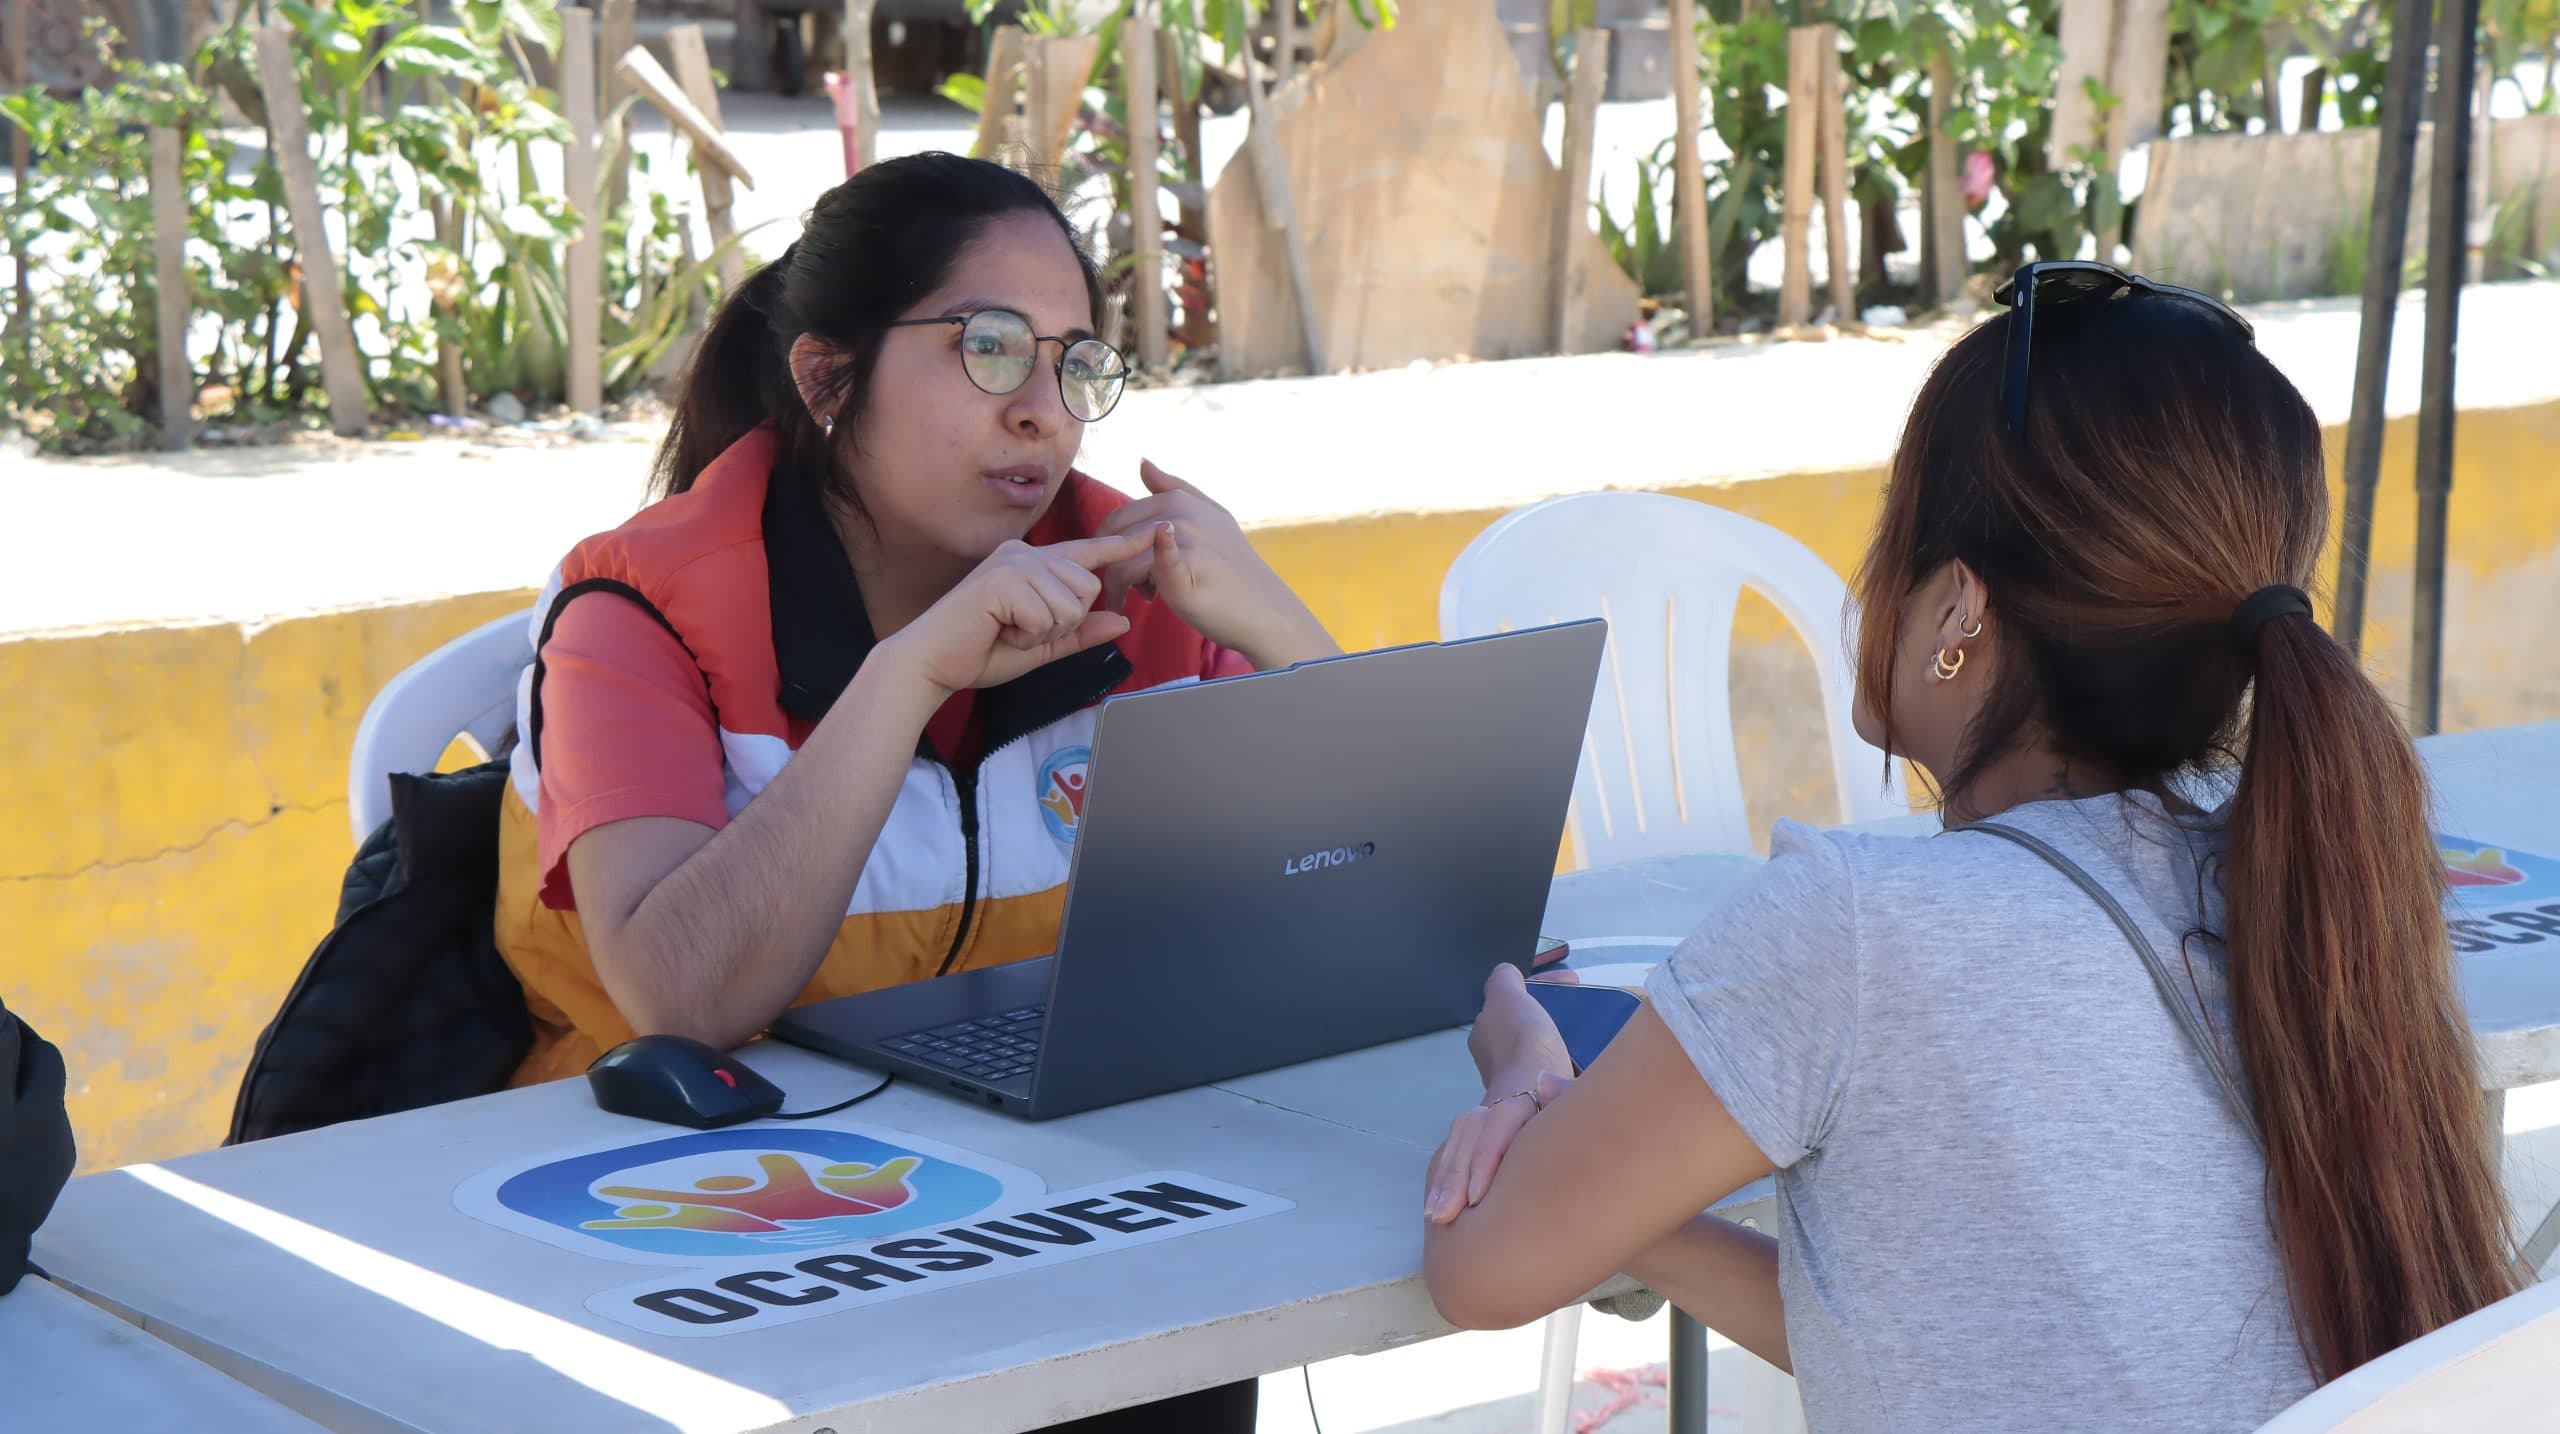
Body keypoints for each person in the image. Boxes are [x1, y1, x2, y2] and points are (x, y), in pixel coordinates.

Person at [1417, 262, 2518, 1431]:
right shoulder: (2302, 879)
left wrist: (1533, 1086)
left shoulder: (1854, 927)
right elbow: (1962, 1335)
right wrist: (1638, 1219)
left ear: (1956, 610)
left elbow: (1483, 1271)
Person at [493, 154, 1336, 1432]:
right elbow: (684, 1001)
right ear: (829, 376)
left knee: (1183, 1345)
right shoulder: (635, 608)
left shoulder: (1140, 583)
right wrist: (911, 673)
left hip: (1046, 1192)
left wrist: (1277, 625)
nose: (1043, 412)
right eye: (990, 349)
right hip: (679, 1228)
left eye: (1075, 363)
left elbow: (1416, 897)